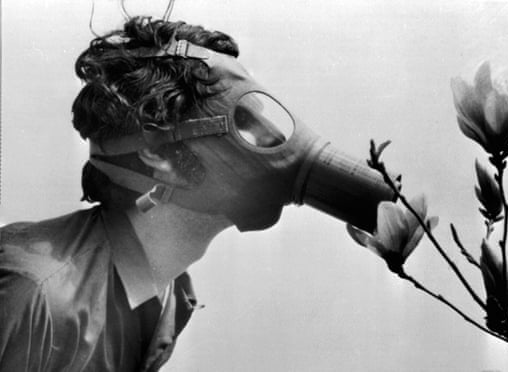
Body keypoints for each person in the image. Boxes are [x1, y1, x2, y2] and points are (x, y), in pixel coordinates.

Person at [0, 15, 395, 372]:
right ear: (158, 155)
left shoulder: (168, 296)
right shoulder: (35, 294)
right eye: (242, 122)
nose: (271, 139)